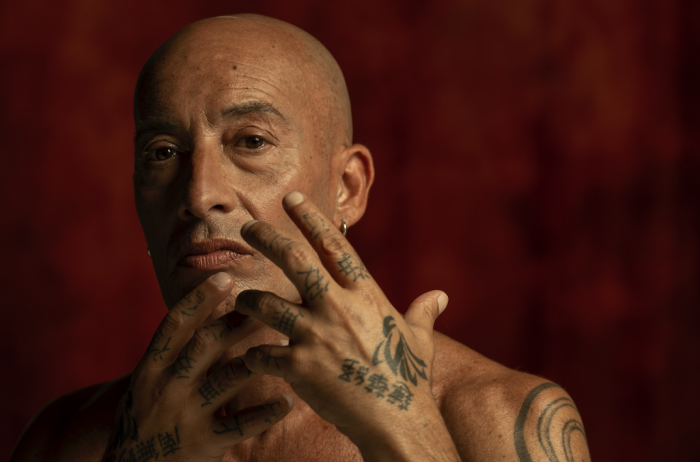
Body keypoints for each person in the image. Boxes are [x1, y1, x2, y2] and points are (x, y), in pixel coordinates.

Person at [10, 14, 590, 462]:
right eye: (163, 152)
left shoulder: (503, 419)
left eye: (251, 142)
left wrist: (404, 433)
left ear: (347, 187)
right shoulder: (65, 439)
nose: (199, 194)